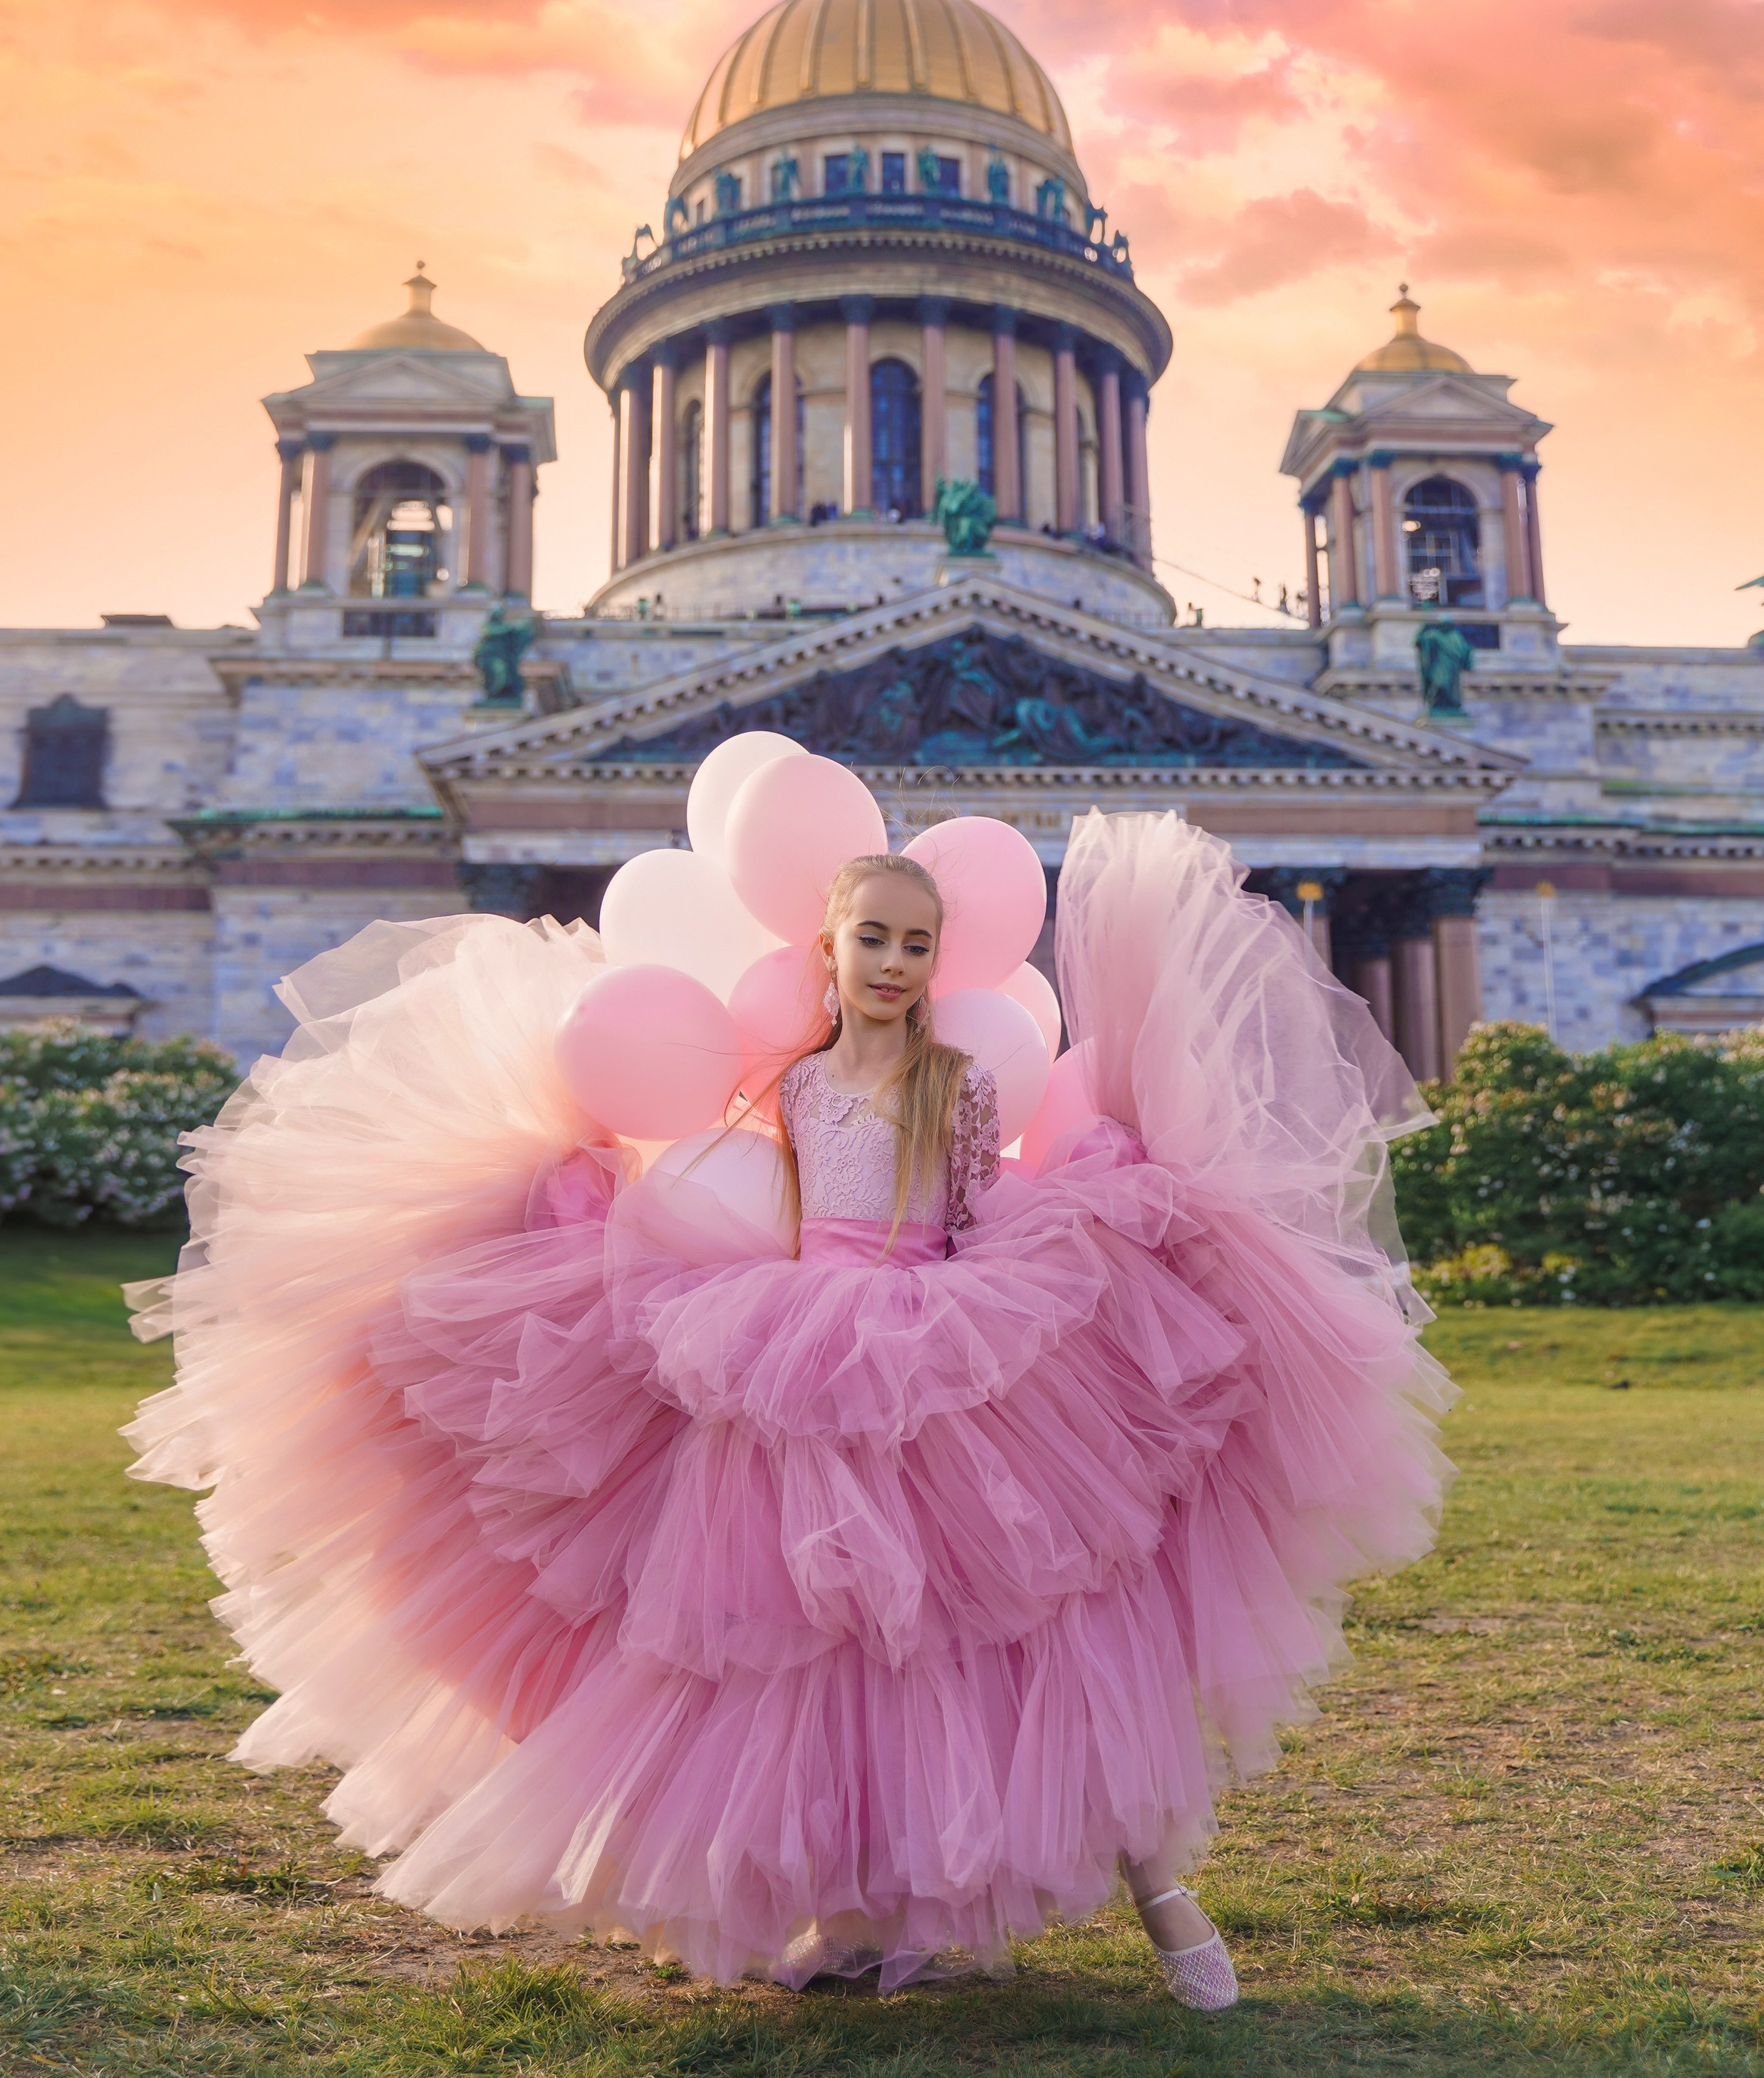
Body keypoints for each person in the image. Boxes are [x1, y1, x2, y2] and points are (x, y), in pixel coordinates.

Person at [126, 809, 1451, 2005]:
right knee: (810, 1646)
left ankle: (1165, 1901)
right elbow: (745, 1196)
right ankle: (859, 1911)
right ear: (829, 947)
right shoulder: (794, 1087)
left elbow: (976, 1219)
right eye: (873, 937)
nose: (894, 963)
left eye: (917, 944)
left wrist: (1011, 1295)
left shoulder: (955, 1083)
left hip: (942, 1354)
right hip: (794, 1355)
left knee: (1041, 1627)